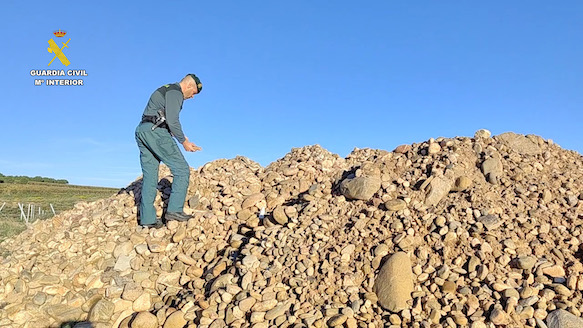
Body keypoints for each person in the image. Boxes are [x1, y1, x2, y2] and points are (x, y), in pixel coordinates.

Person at [135, 74, 203, 228]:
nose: (192, 97)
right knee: (182, 169)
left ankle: (148, 220)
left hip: (143, 130)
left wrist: (182, 136)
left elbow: (165, 119)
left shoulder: (166, 89)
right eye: (193, 93)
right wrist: (183, 142)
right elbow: (173, 120)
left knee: (150, 176)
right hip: (156, 132)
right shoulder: (175, 92)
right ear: (189, 86)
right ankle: (174, 210)